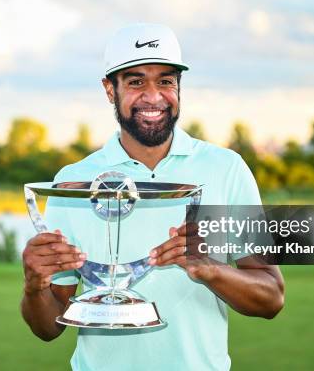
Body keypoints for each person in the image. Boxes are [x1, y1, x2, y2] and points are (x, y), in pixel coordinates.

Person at [20, 23, 285, 370]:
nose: (153, 96)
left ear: (179, 87)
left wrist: (211, 270)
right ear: (109, 90)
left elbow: (272, 297)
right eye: (135, 82)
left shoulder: (227, 168)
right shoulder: (72, 182)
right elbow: (47, 328)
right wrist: (34, 286)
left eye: (165, 81)